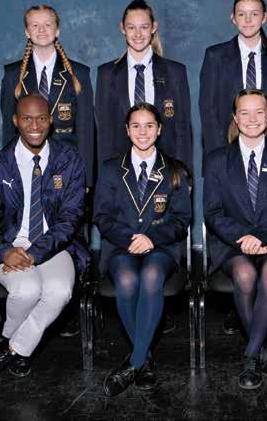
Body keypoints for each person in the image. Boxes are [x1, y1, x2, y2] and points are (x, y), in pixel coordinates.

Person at [0, 94, 88, 384]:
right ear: (15, 121)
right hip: (10, 246)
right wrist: (3, 251)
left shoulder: (69, 160)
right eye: (27, 118)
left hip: (55, 245)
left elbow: (70, 219)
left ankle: (11, 347)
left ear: (51, 120)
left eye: (41, 118)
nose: (34, 126)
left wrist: (36, 253)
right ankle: (19, 348)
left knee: (59, 290)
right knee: (26, 290)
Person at [203, 89, 267, 390]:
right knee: (245, 273)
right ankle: (261, 352)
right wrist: (242, 238)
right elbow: (213, 213)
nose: (252, 119)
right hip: (231, 243)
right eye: (244, 112)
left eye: (259, 111)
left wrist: (259, 237)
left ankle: (250, 357)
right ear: (235, 118)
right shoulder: (217, 160)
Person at [94, 103, 191, 396]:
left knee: (151, 276)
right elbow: (102, 216)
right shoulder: (111, 169)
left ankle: (135, 362)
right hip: (120, 246)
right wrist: (129, 238)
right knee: (126, 280)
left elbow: (182, 220)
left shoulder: (175, 170)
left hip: (161, 247)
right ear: (127, 130)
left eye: (149, 125)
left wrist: (152, 238)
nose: (143, 132)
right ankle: (144, 358)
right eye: (136, 125)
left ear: (159, 130)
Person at [0, 5, 95, 187]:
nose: (41, 30)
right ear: (27, 32)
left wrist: (86, 180)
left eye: (47, 25)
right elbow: (8, 131)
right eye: (35, 25)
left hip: (67, 166)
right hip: (25, 166)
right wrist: (8, 175)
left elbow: (86, 131)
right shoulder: (13, 75)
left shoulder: (79, 73)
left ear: (57, 30)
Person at [96, 0, 192, 171]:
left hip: (166, 168)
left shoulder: (175, 72)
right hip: (121, 170)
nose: (138, 34)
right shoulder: (106, 74)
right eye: (131, 27)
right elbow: (104, 133)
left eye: (144, 27)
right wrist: (105, 176)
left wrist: (184, 174)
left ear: (154, 27)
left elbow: (182, 130)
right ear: (122, 28)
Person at [199, 0, 267, 155]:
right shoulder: (215, 56)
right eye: (241, 14)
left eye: (254, 14)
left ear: (264, 17)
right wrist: (219, 156)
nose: (248, 20)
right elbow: (208, 110)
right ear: (233, 18)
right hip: (225, 148)